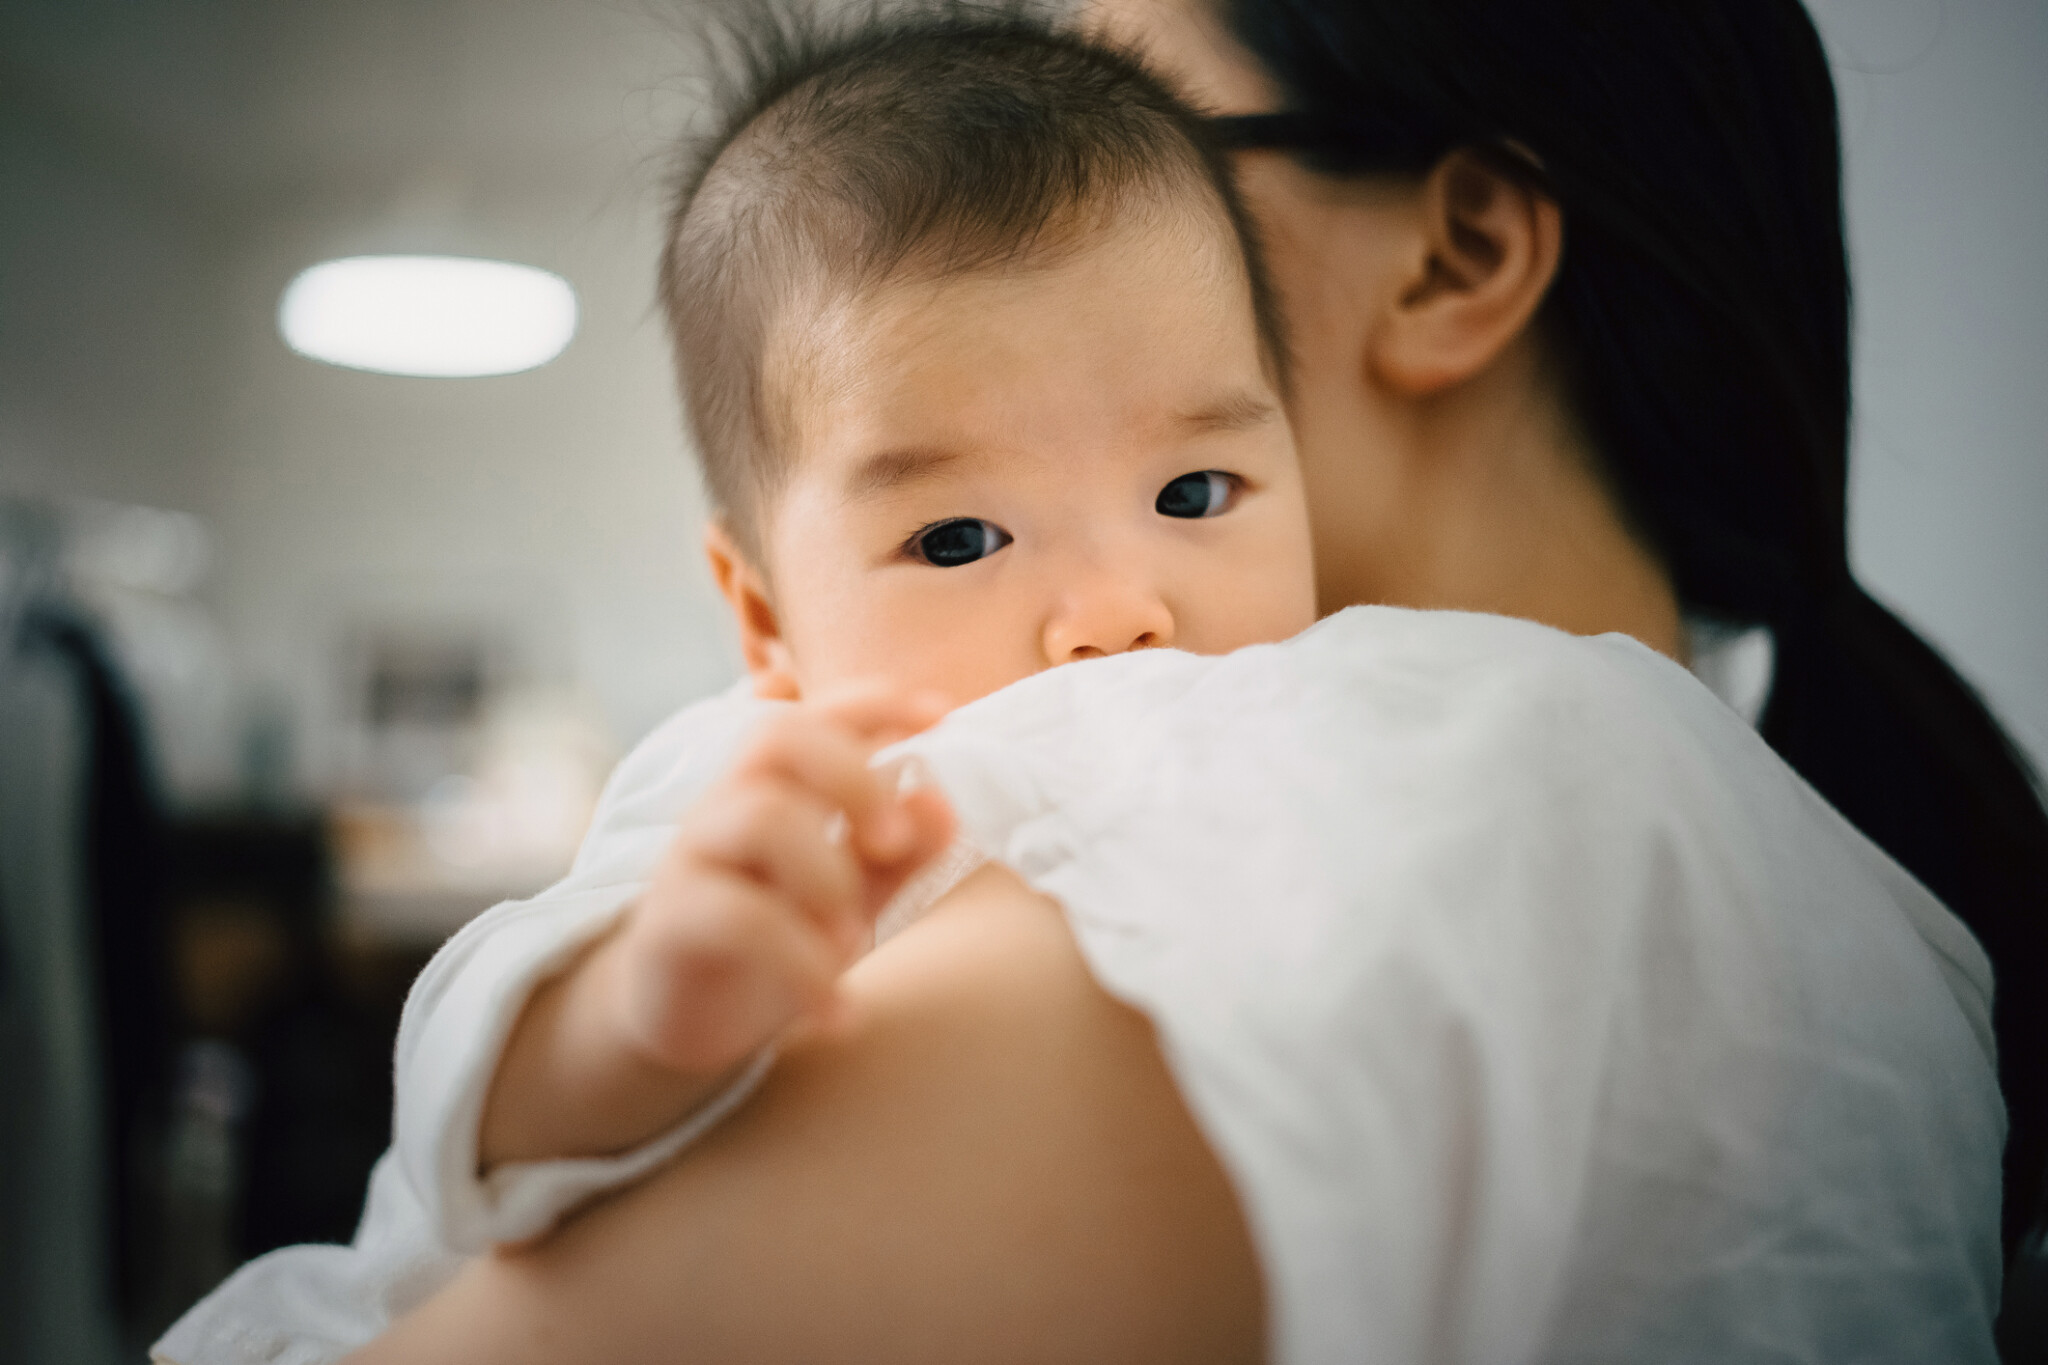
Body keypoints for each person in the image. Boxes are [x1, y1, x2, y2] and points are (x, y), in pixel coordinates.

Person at [155, 14, 1316, 1363]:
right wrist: (642, 1009)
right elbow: (471, 1065)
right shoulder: (780, 778)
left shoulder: (1296, 729)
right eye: (956, 539)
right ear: (765, 615)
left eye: (1193, 492)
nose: (1119, 609)